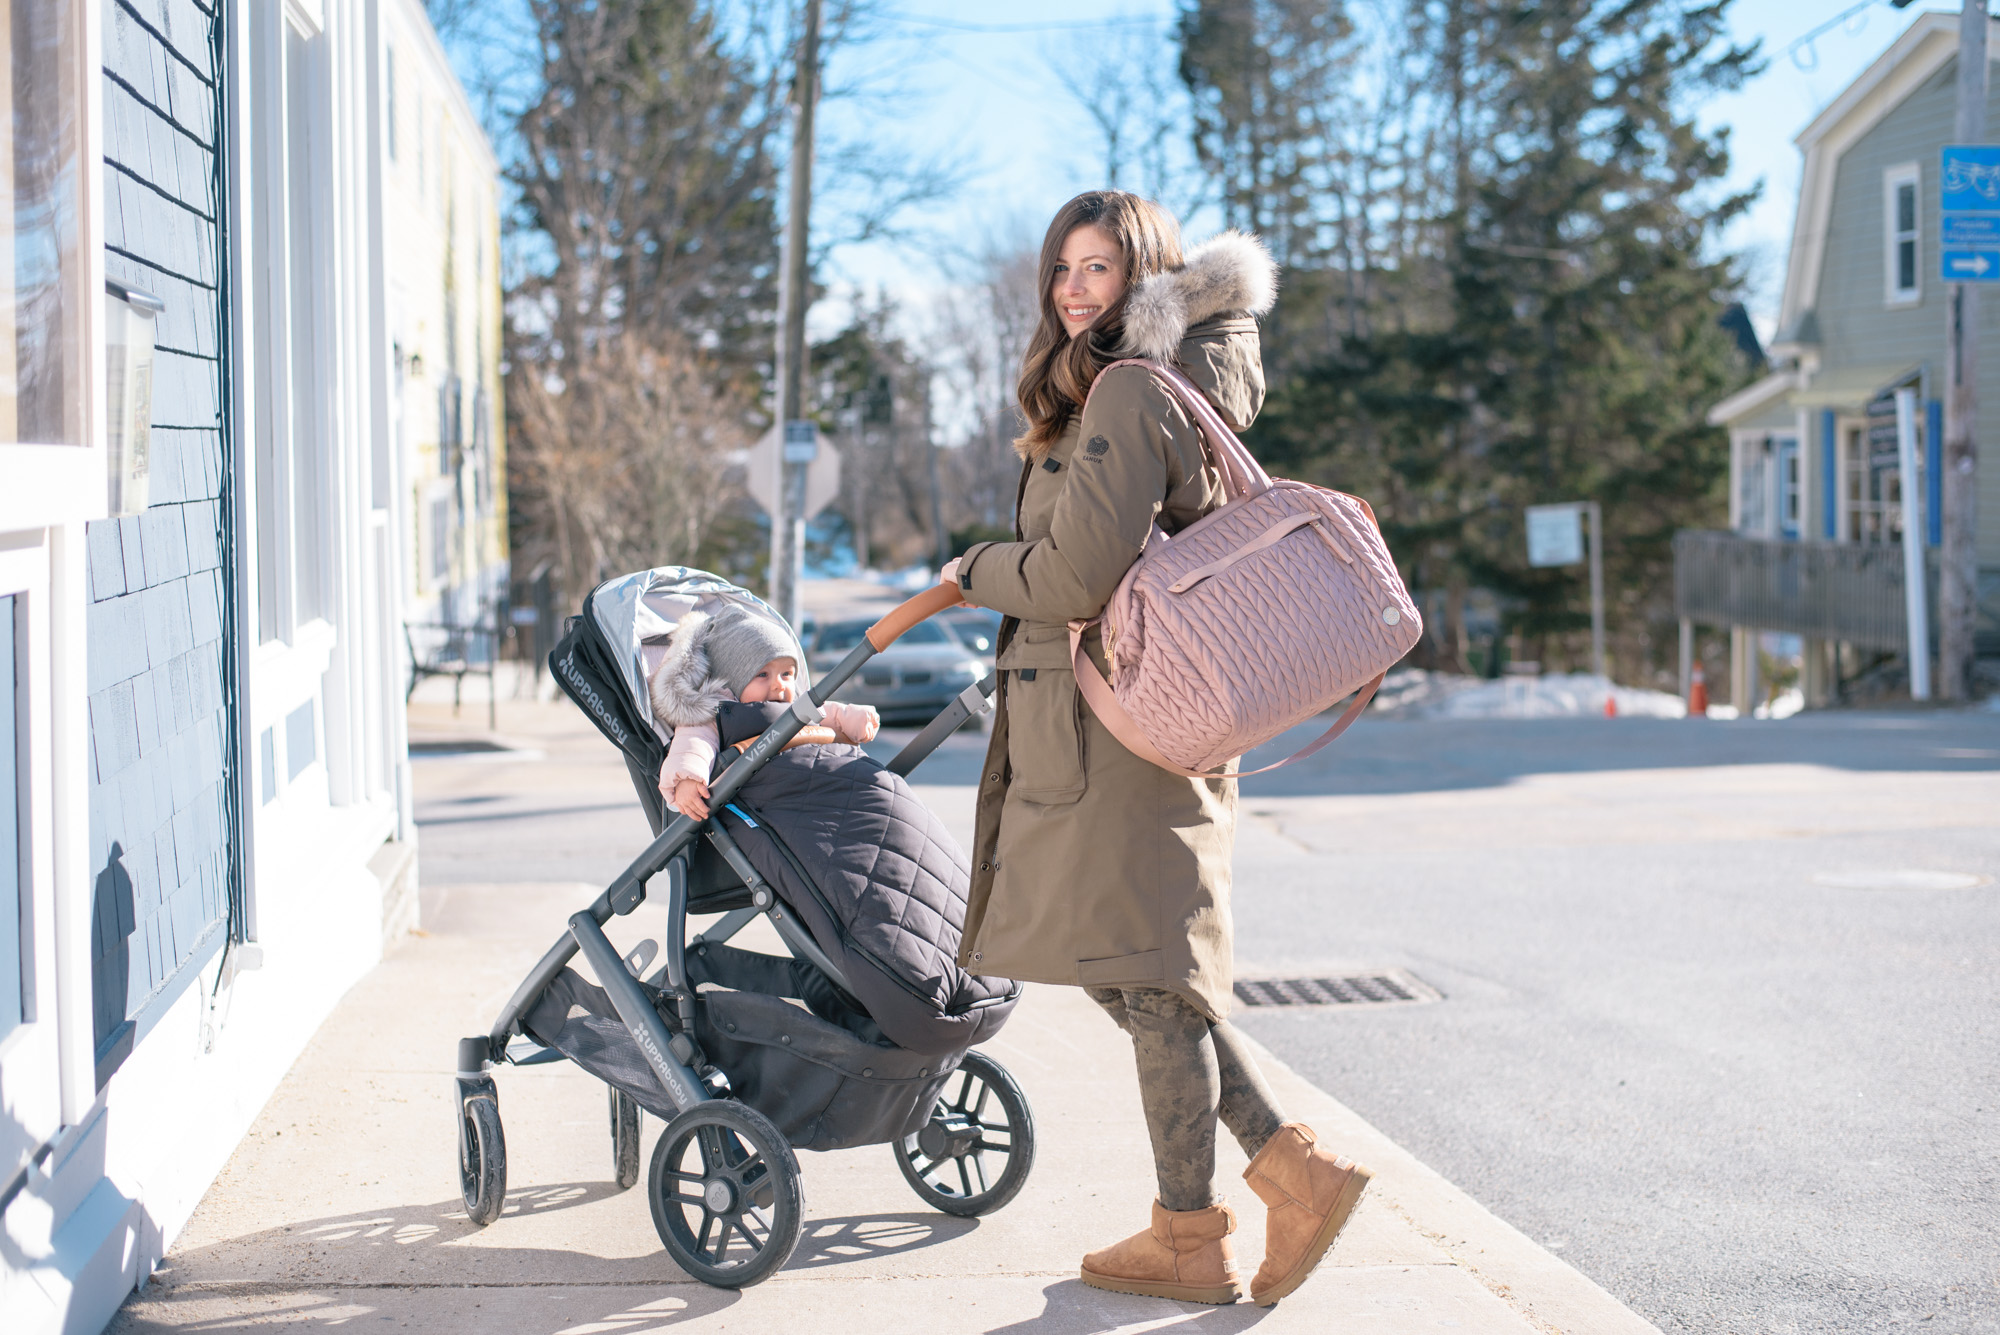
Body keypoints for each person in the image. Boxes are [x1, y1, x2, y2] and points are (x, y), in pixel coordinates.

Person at [941, 190, 1370, 1308]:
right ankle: (1261, 1186)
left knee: (1147, 978)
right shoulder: (1142, 384)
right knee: (1138, 978)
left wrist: (973, 570)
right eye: (1063, 270)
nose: (1076, 288)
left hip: (1114, 723)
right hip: (1132, 714)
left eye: (1101, 269)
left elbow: (1078, 578)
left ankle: (1210, 1220)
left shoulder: (1132, 390)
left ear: (1150, 281)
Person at [646, 603, 879, 819]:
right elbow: (694, 745)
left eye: (787, 674)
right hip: (773, 802)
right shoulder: (713, 716)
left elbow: (829, 713)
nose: (779, 685)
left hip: (821, 785)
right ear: (731, 682)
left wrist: (854, 718)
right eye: (762, 675)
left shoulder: (797, 707)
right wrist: (687, 778)